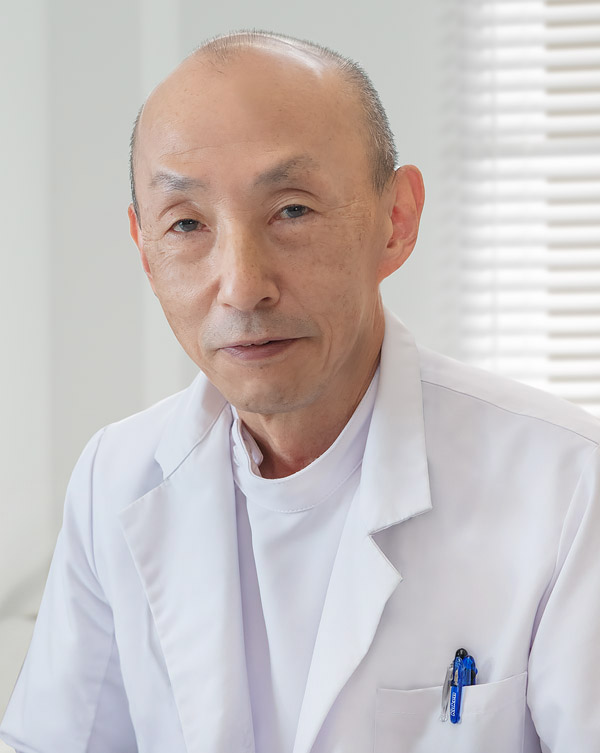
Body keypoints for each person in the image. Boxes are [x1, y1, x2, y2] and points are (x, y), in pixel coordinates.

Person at [1, 30, 599, 753]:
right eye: (186, 224)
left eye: (292, 210)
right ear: (145, 253)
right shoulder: (114, 479)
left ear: (397, 220)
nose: (242, 285)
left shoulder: (569, 485)